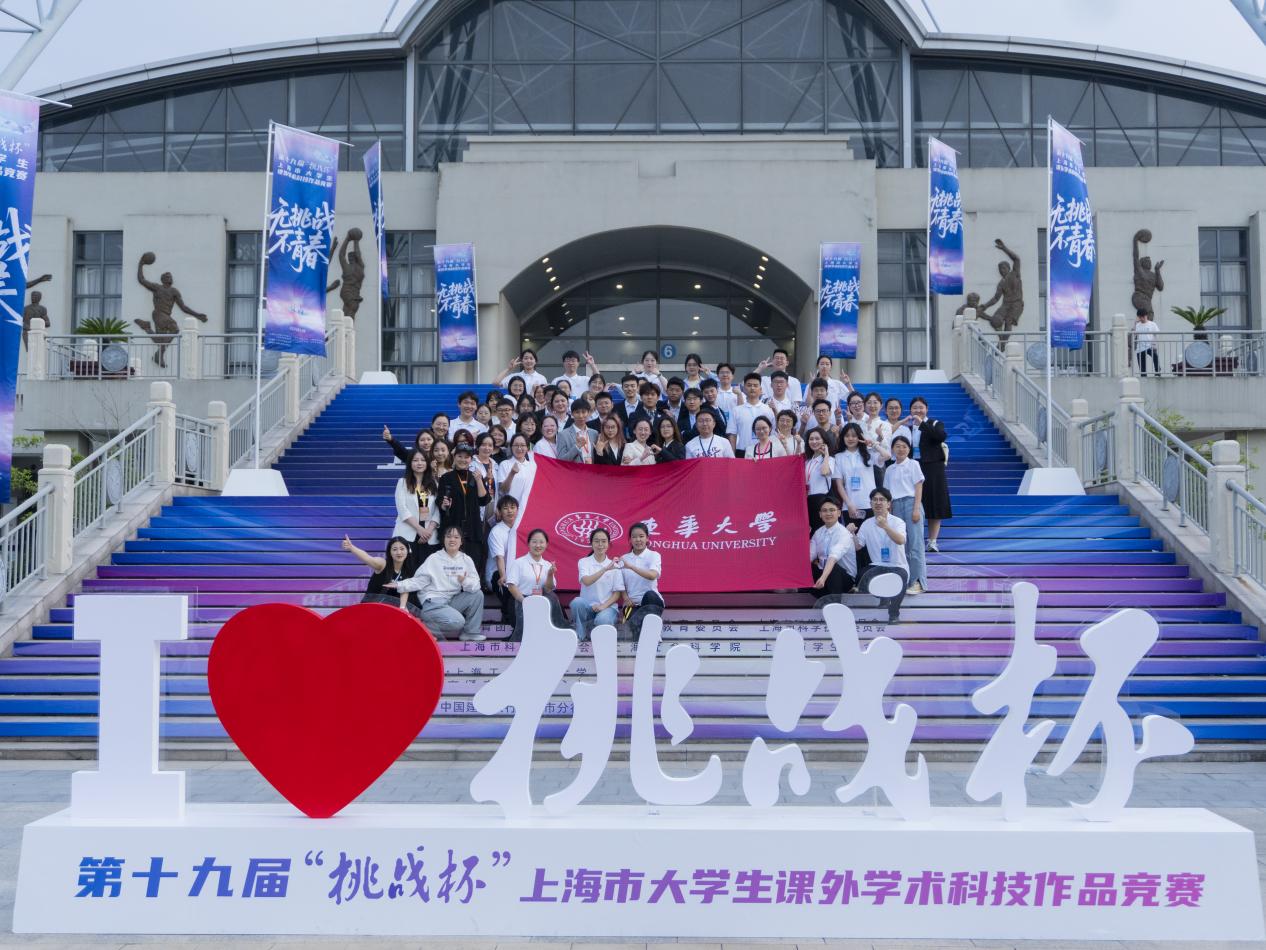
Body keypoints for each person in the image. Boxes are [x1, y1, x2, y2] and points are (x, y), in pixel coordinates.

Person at [386, 525, 486, 641]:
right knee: (458, 622)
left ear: (461, 541)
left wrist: (465, 581)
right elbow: (419, 580)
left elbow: (476, 585)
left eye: (456, 537)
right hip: (433, 603)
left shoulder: (466, 560)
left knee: (477, 595)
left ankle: (470, 632)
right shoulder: (434, 558)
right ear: (444, 540)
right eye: (448, 537)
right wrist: (400, 584)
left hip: (452, 601)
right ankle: (421, 627)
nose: (452, 540)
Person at [896, 396, 952, 552]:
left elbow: (940, 436)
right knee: (913, 503)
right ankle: (914, 540)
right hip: (912, 467)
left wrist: (922, 424)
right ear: (910, 410)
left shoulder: (934, 423)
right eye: (914, 407)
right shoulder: (907, 427)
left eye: (921, 407)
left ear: (927, 409)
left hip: (933, 468)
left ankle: (932, 541)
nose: (918, 410)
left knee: (934, 504)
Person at [855, 487, 909, 624]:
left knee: (900, 577)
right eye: (875, 500)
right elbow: (857, 546)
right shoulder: (866, 524)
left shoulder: (897, 522)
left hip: (897, 566)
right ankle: (883, 596)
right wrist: (851, 534)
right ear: (871, 503)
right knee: (861, 577)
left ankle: (894, 614)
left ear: (889, 504)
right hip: (877, 566)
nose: (878, 502)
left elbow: (901, 540)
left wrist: (886, 526)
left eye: (882, 500)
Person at [506, 528, 567, 638]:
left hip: (542, 602)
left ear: (546, 544)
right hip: (522, 600)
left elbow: (548, 589)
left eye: (541, 542)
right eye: (534, 542)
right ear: (528, 544)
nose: (538, 545)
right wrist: (526, 602)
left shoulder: (548, 565)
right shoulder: (519, 563)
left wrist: (550, 574)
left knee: (552, 598)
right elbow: (511, 586)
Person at [342, 534, 422, 617]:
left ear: (407, 550)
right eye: (395, 549)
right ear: (390, 552)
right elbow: (368, 558)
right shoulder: (382, 564)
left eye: (402, 549)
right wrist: (351, 547)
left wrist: (402, 608)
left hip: (393, 612)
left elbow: (405, 589)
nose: (399, 552)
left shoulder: (409, 569)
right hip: (372, 609)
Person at [885, 435, 927, 595]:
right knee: (901, 546)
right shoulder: (889, 469)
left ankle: (918, 581)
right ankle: (906, 580)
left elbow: (918, 487)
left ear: (909, 449)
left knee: (915, 545)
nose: (901, 449)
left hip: (911, 503)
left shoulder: (914, 464)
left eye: (904, 446)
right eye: (897, 446)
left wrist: (916, 509)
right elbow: (888, 494)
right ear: (892, 449)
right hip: (895, 506)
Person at [437, 444, 488, 571]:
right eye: (459, 456)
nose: (463, 460)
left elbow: (484, 500)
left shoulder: (476, 476)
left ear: (471, 459)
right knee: (451, 566)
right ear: (454, 457)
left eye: (466, 457)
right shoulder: (446, 477)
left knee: (473, 565)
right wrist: (444, 504)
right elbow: (440, 501)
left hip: (473, 529)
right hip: (452, 527)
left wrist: (479, 480)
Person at [573, 527, 625, 641]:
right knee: (577, 602)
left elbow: (617, 594)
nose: (600, 544)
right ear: (591, 543)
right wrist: (605, 569)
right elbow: (586, 581)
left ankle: (599, 639)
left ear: (608, 544)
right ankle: (580, 637)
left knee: (602, 620)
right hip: (588, 607)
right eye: (596, 541)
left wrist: (603, 606)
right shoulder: (584, 562)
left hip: (607, 608)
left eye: (603, 541)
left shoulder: (615, 566)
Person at [393, 449, 438, 561]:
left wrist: (428, 531)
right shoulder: (402, 483)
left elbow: (438, 509)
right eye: (415, 460)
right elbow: (402, 509)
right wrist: (419, 529)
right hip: (407, 533)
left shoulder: (434, 483)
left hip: (430, 535)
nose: (419, 463)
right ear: (410, 463)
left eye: (423, 460)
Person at [809, 497, 857, 603]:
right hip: (824, 576)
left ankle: (835, 603)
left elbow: (833, 557)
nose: (828, 513)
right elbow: (810, 556)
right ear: (820, 514)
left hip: (844, 578)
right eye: (824, 510)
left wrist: (823, 578)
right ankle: (823, 597)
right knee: (808, 568)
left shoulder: (844, 533)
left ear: (839, 513)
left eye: (832, 510)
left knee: (833, 568)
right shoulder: (818, 533)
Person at [620, 522, 664, 638]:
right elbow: (620, 583)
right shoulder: (624, 558)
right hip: (631, 605)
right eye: (634, 537)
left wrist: (631, 567)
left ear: (647, 538)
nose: (638, 540)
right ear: (630, 540)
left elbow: (652, 575)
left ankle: (651, 634)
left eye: (641, 536)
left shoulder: (654, 555)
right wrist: (626, 598)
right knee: (636, 629)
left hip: (652, 601)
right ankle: (650, 633)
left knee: (650, 595)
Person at [834, 422, 877, 528]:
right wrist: (849, 504)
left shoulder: (868, 453)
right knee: (852, 536)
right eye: (847, 436)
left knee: (870, 536)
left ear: (860, 437)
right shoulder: (838, 457)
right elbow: (839, 485)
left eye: (854, 436)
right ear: (843, 438)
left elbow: (887, 455)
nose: (850, 438)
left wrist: (873, 444)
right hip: (850, 506)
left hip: (869, 503)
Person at [486, 495, 519, 626]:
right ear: (499, 512)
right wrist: (504, 576)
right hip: (498, 573)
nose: (510, 511)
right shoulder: (496, 531)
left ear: (518, 510)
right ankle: (511, 623)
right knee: (509, 588)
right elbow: (499, 558)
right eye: (505, 508)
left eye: (512, 507)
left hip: (517, 572)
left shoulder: (521, 528)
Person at [804, 427, 842, 533]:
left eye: (817, 439)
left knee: (823, 531)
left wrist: (826, 455)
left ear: (824, 441)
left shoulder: (830, 459)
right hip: (808, 500)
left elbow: (824, 472)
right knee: (812, 533)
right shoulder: (807, 461)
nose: (814, 441)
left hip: (822, 501)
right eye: (811, 439)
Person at [730, 372, 774, 457]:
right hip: (742, 451)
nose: (752, 388)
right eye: (749, 385)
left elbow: (772, 433)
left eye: (755, 385)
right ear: (744, 389)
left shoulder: (768, 410)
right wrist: (732, 456)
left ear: (760, 389)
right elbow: (732, 434)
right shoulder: (736, 410)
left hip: (764, 452)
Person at [498, 433, 536, 506]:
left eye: (522, 445)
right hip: (510, 508)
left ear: (527, 448)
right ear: (511, 447)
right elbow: (502, 491)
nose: (519, 448)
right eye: (516, 445)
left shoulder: (533, 466)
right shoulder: (504, 464)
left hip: (528, 507)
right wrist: (512, 473)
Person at [556, 396, 595, 463]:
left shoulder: (594, 433)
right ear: (572, 414)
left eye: (583, 412)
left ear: (588, 413)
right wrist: (577, 447)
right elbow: (561, 461)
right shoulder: (563, 435)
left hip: (592, 469)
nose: (581, 416)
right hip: (573, 469)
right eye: (577, 412)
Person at [1133, 307, 1160, 376]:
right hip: (1140, 347)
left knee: (1155, 357)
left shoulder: (1152, 324)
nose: (1141, 319)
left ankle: (1157, 372)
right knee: (1142, 368)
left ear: (1146, 316)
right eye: (1140, 317)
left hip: (1150, 346)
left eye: (1143, 317)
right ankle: (1143, 377)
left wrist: (1154, 344)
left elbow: (1156, 334)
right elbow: (1134, 334)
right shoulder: (1138, 325)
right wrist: (1135, 323)